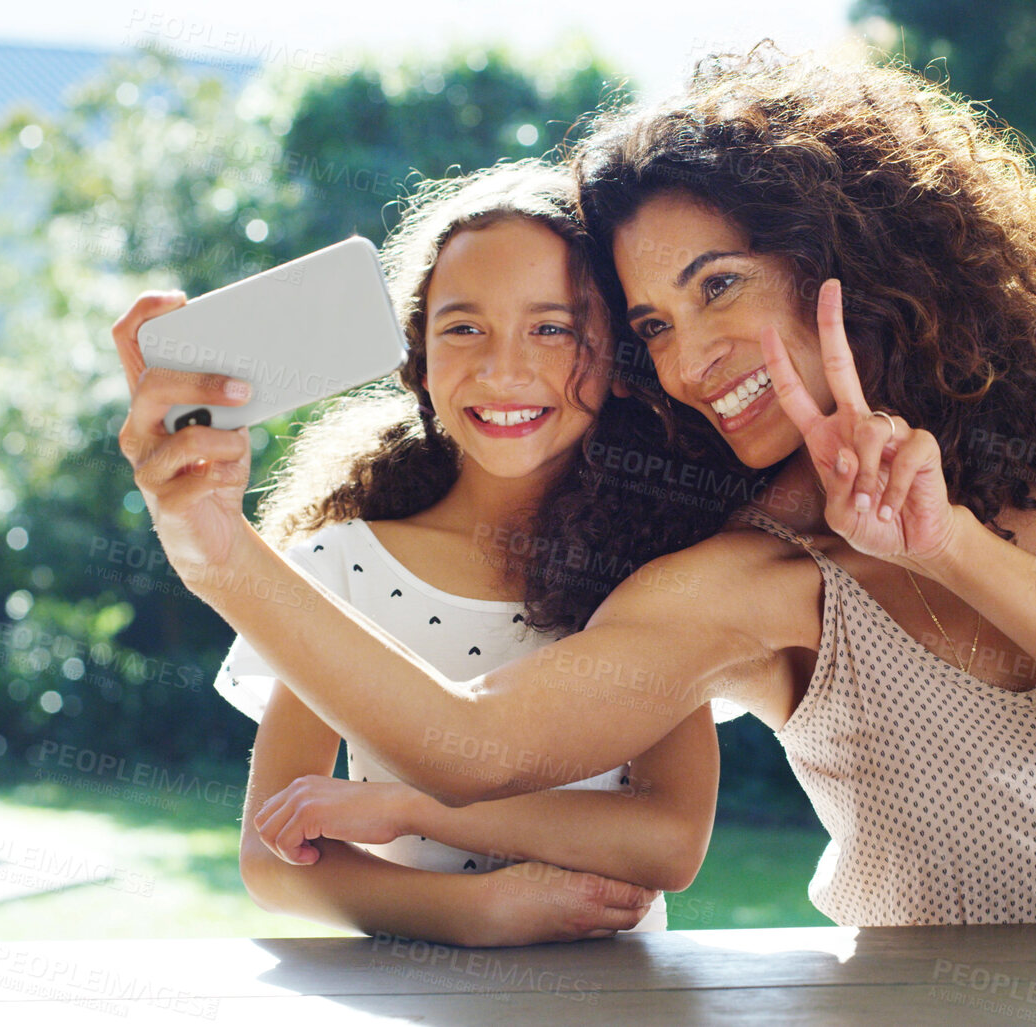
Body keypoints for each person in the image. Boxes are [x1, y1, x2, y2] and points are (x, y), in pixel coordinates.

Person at [115, 51, 1036, 926]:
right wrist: (214, 543)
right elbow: (466, 747)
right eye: (656, 326)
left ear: (843, 252)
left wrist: (952, 548)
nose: (690, 360)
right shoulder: (752, 570)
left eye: (719, 285)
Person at [109, 161, 717, 946]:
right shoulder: (340, 567)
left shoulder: (656, 575)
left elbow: (668, 841)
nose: (504, 368)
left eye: (553, 328)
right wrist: (475, 914)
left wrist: (416, 808)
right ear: (418, 363)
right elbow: (274, 856)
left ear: (616, 360)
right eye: (463, 327)